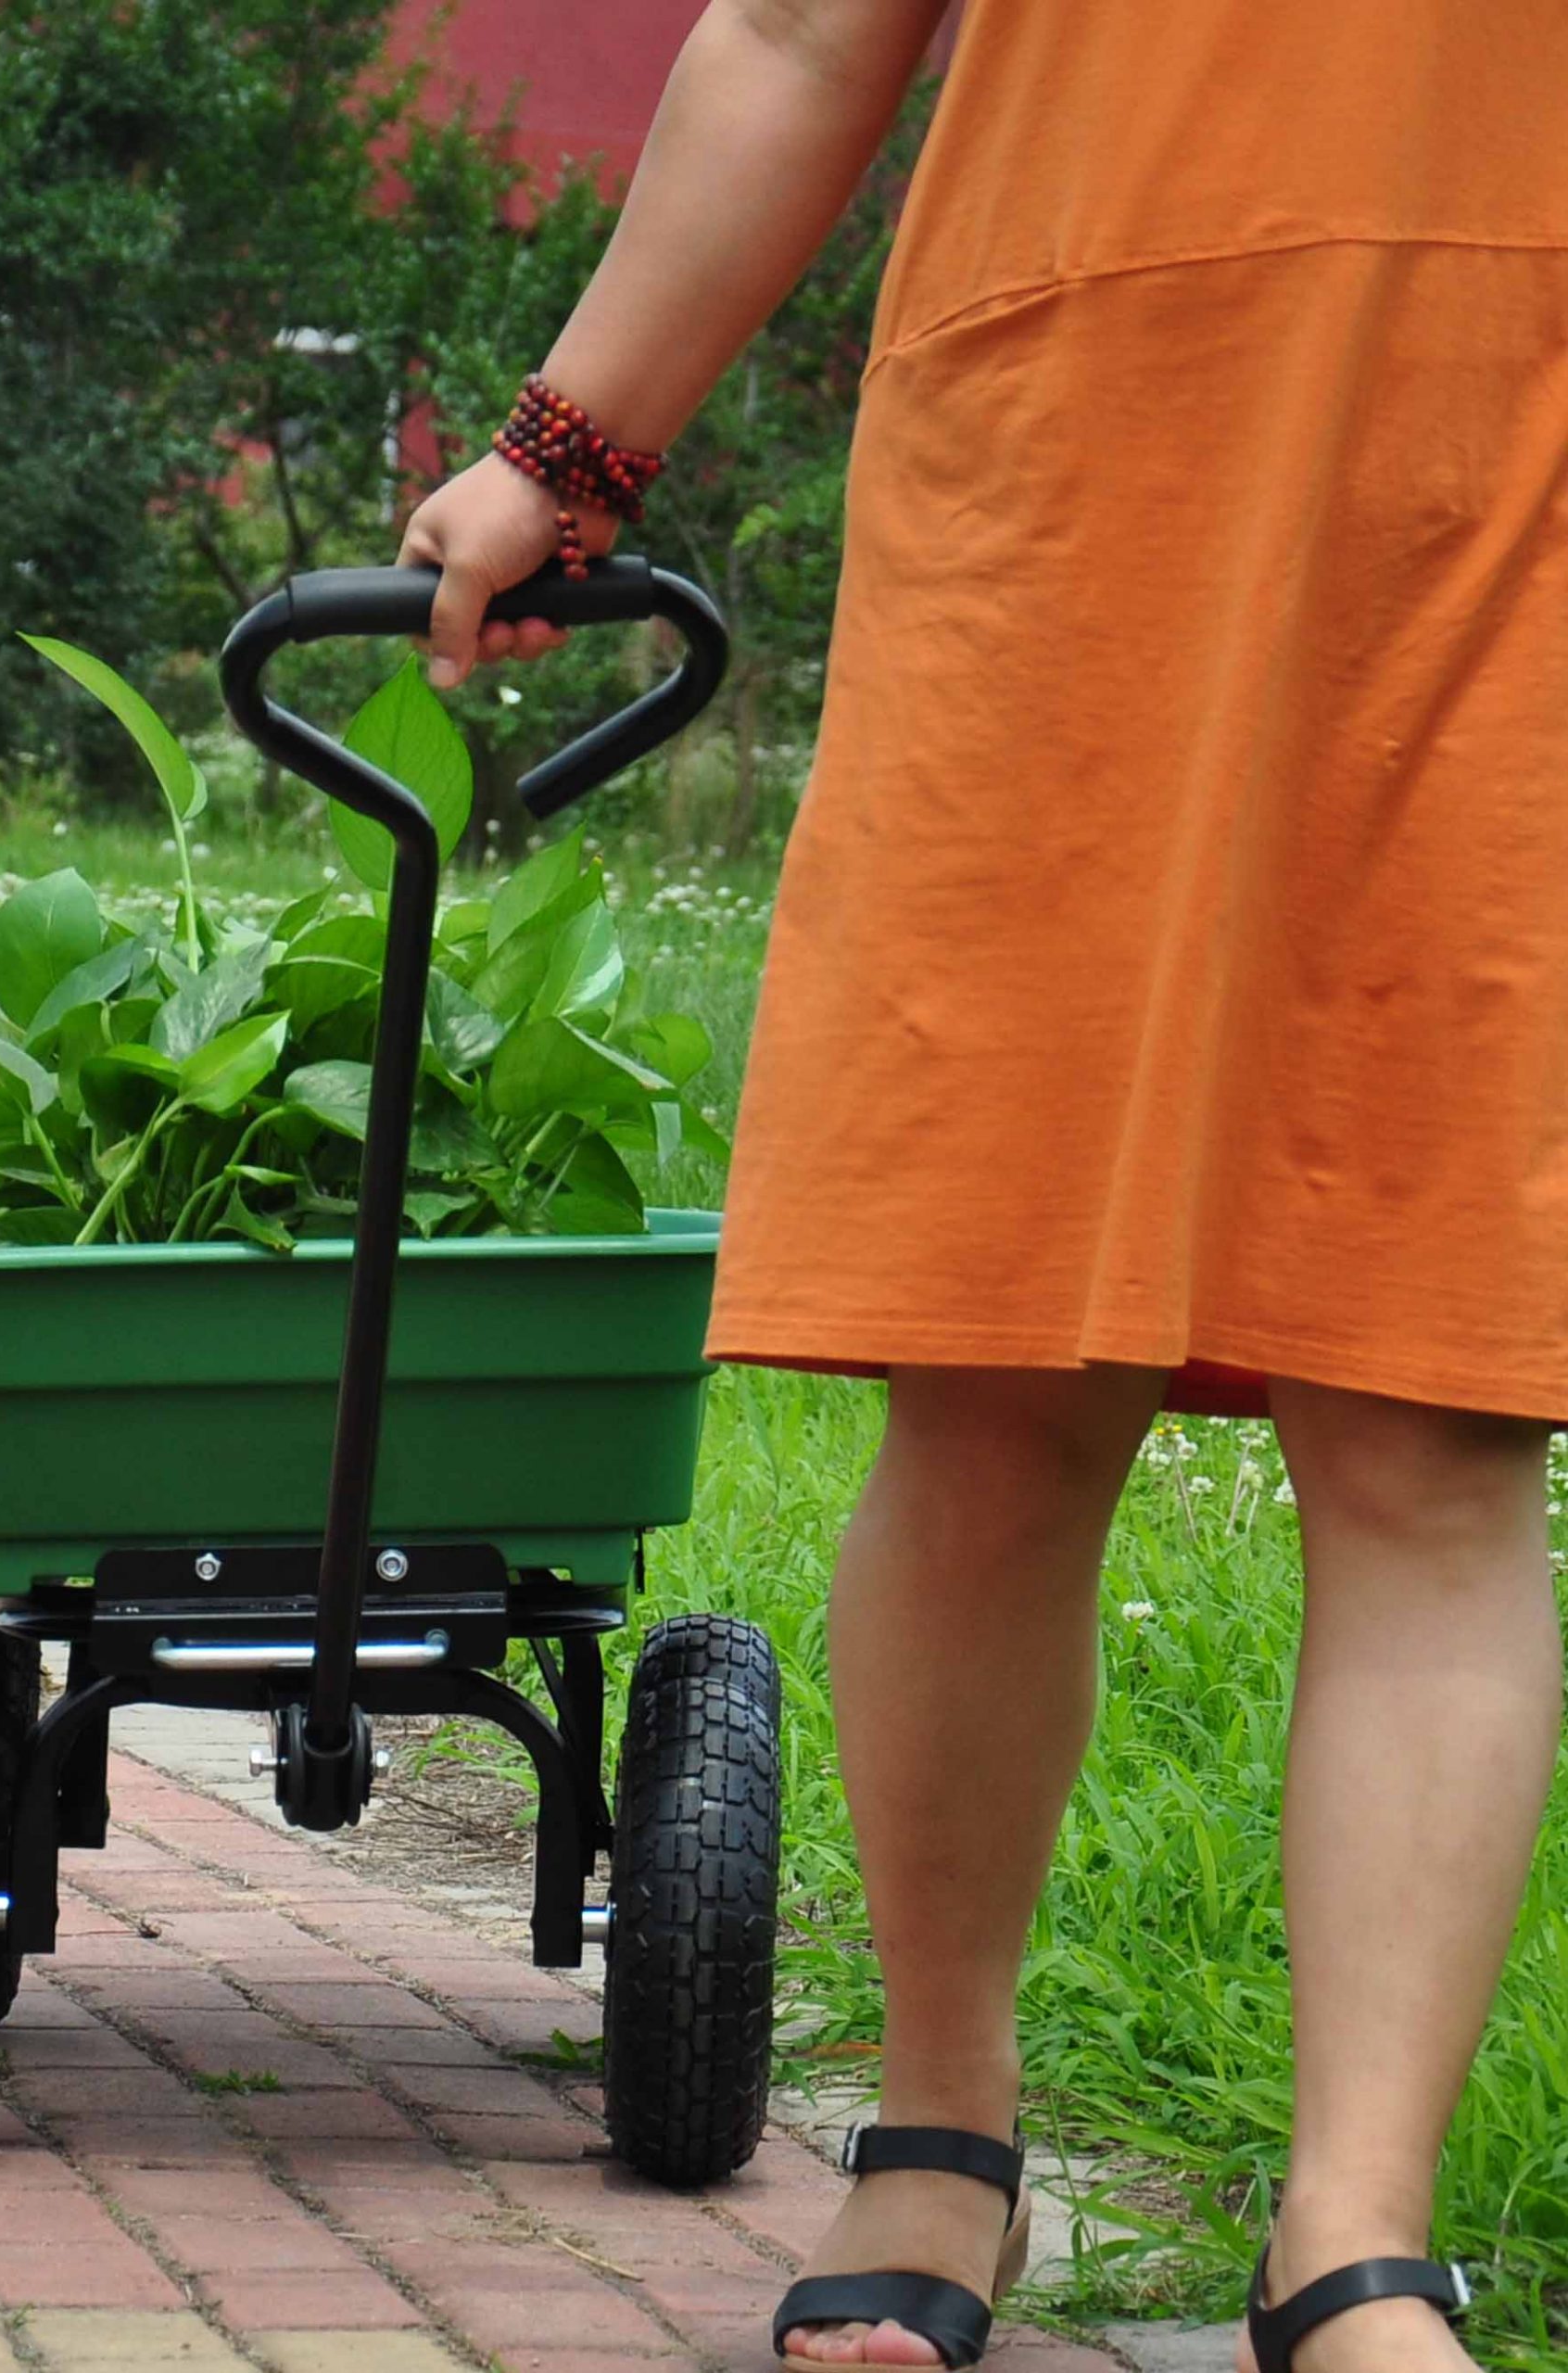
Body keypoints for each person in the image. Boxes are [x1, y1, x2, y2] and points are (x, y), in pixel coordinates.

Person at [394, 3, 1568, 2370]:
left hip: (1505, 484)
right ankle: (938, 2127)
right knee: (997, 1375)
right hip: (1077, 470)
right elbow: (800, 22)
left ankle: (1352, 2231)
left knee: (1429, 1408)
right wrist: (564, 445)